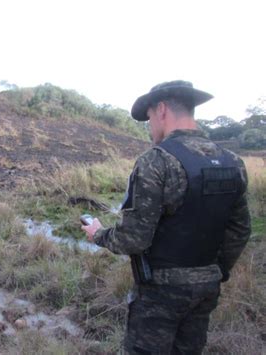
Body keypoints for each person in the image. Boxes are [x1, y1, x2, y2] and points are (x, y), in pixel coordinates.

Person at [82, 80, 251, 354]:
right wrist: (216, 271)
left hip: (161, 292)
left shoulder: (156, 161)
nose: (149, 126)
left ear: (161, 110)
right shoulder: (233, 162)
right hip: (207, 286)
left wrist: (99, 234)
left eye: (148, 118)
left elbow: (133, 239)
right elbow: (240, 230)